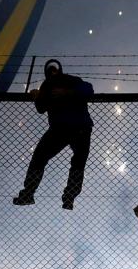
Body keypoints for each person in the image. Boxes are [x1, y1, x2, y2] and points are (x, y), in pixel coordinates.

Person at [13, 59, 93, 210]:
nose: (52, 73)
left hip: (80, 126)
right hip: (60, 128)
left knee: (78, 163)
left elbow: (88, 90)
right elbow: (41, 108)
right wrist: (37, 97)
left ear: (60, 70)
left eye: (54, 70)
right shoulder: (46, 86)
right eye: (50, 71)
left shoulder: (71, 80)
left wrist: (67, 92)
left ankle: (69, 196)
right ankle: (29, 193)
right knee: (39, 157)